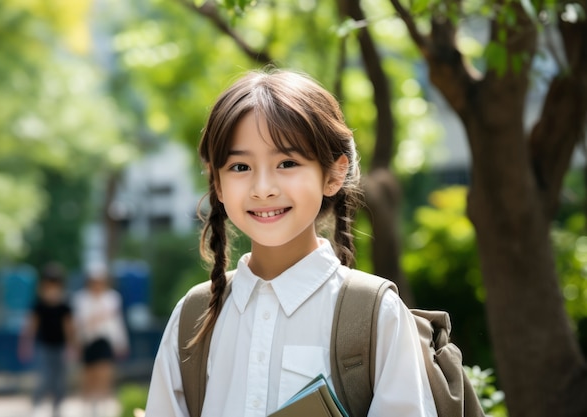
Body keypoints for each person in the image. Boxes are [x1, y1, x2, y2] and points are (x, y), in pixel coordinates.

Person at [145, 68, 437, 417]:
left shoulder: (376, 314)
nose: (263, 187)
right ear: (217, 184)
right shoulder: (192, 317)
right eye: (240, 167)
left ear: (333, 174)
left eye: (287, 162)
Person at [72, 262, 129, 417]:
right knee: (88, 379)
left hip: (105, 341)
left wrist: (122, 343)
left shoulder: (112, 298)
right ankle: (88, 410)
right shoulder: (81, 298)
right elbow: (79, 323)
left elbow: (116, 322)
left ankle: (102, 409)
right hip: (88, 342)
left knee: (105, 376)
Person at [18, 262, 74, 417]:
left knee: (60, 380)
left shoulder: (65, 303)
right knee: (44, 378)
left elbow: (68, 327)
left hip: (60, 346)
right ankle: (37, 403)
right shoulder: (38, 304)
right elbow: (32, 325)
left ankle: (57, 408)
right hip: (44, 346)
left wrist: (72, 346)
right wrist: (25, 344)